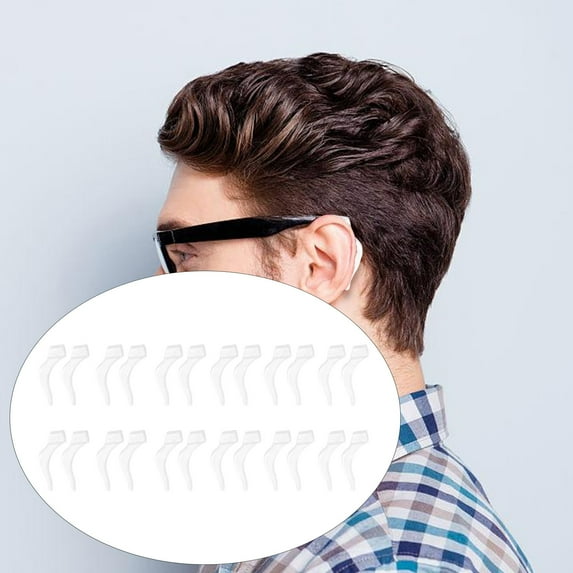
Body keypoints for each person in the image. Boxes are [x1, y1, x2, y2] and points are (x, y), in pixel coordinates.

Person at [153, 53, 533, 572]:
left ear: (321, 263)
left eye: (186, 254)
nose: (158, 289)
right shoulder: (307, 521)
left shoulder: (379, 556)